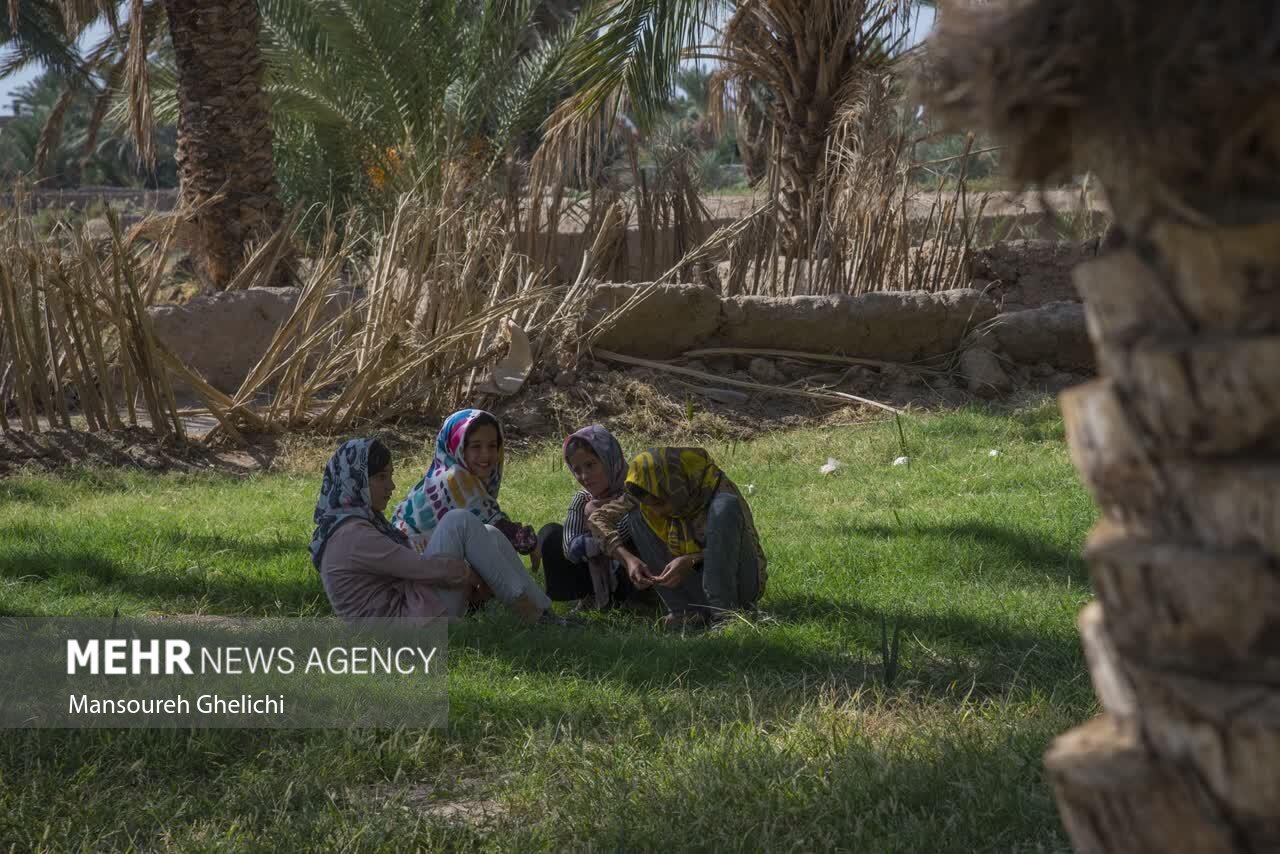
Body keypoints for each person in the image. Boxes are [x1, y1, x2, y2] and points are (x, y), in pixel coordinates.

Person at [310, 437, 559, 625]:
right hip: (405, 628)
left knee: (490, 533)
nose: (391, 486)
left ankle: (545, 613)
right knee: (458, 520)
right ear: (355, 481)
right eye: (381, 477)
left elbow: (408, 560)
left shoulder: (353, 524)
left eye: (391, 476)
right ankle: (529, 612)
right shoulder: (353, 534)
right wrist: (472, 575)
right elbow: (420, 568)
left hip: (410, 613)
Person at [588, 447, 767, 631]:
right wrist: (628, 559)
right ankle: (686, 611)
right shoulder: (652, 489)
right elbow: (598, 519)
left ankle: (726, 616)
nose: (657, 511)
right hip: (696, 582)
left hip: (738, 585)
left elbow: (734, 549)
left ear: (673, 487)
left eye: (660, 503)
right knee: (636, 516)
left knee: (725, 507)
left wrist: (692, 559)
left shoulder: (716, 489)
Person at [392, 409, 539, 561]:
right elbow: (495, 525)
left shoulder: (441, 474)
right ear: (457, 447)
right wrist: (531, 542)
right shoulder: (453, 478)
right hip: (415, 562)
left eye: (492, 446)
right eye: (476, 446)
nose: (486, 454)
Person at [538, 425, 652, 611]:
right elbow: (569, 548)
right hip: (592, 567)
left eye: (591, 465)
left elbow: (623, 532)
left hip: (633, 570)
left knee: (637, 523)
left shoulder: (634, 491)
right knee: (550, 534)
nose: (584, 476)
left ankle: (638, 600)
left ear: (609, 459)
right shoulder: (582, 499)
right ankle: (588, 595)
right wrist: (594, 542)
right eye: (577, 470)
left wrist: (593, 537)